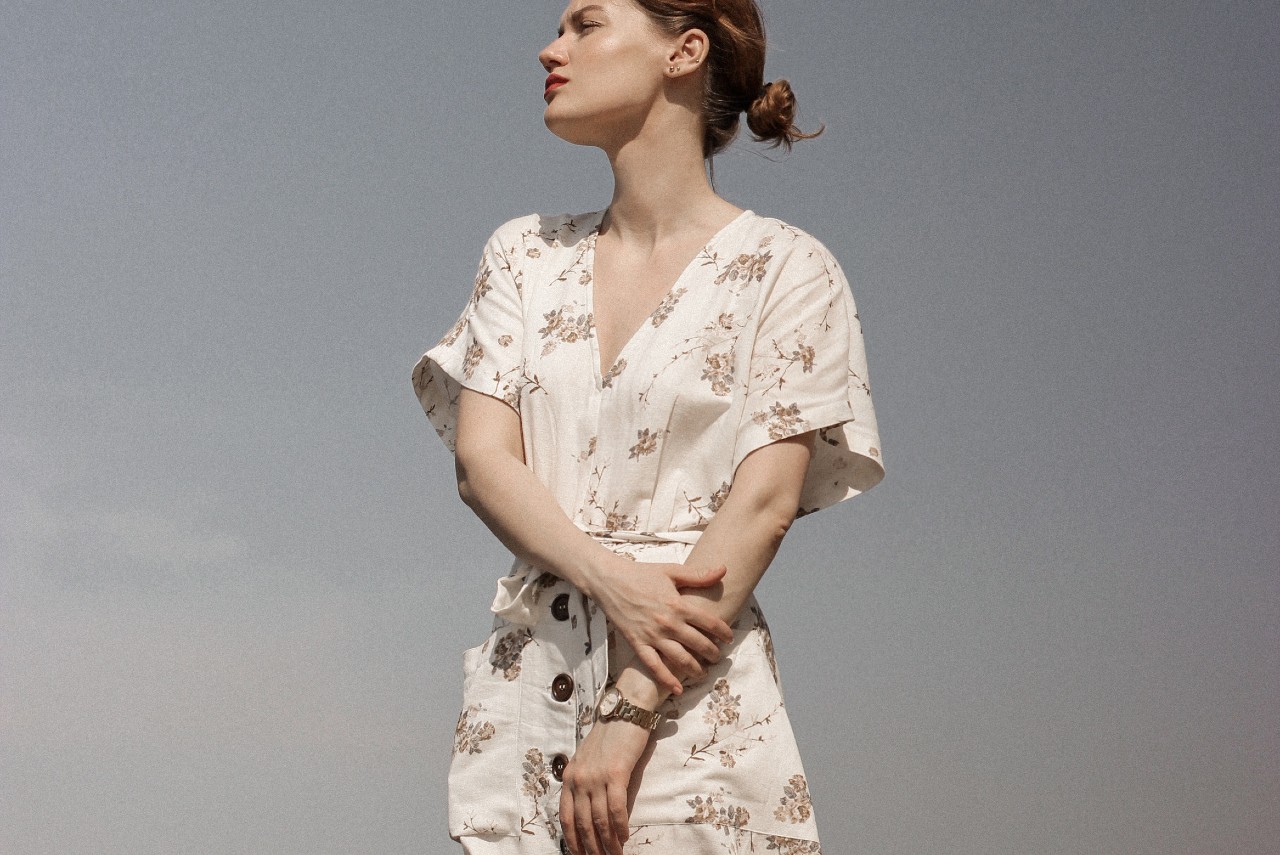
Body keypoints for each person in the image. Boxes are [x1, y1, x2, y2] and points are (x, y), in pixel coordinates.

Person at [412, 2, 884, 853]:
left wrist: (627, 712)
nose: (549, 48)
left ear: (684, 50)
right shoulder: (523, 254)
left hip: (690, 710)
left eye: (586, 23)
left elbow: (763, 507)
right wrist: (613, 577)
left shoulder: (788, 270)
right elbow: (483, 462)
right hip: (524, 710)